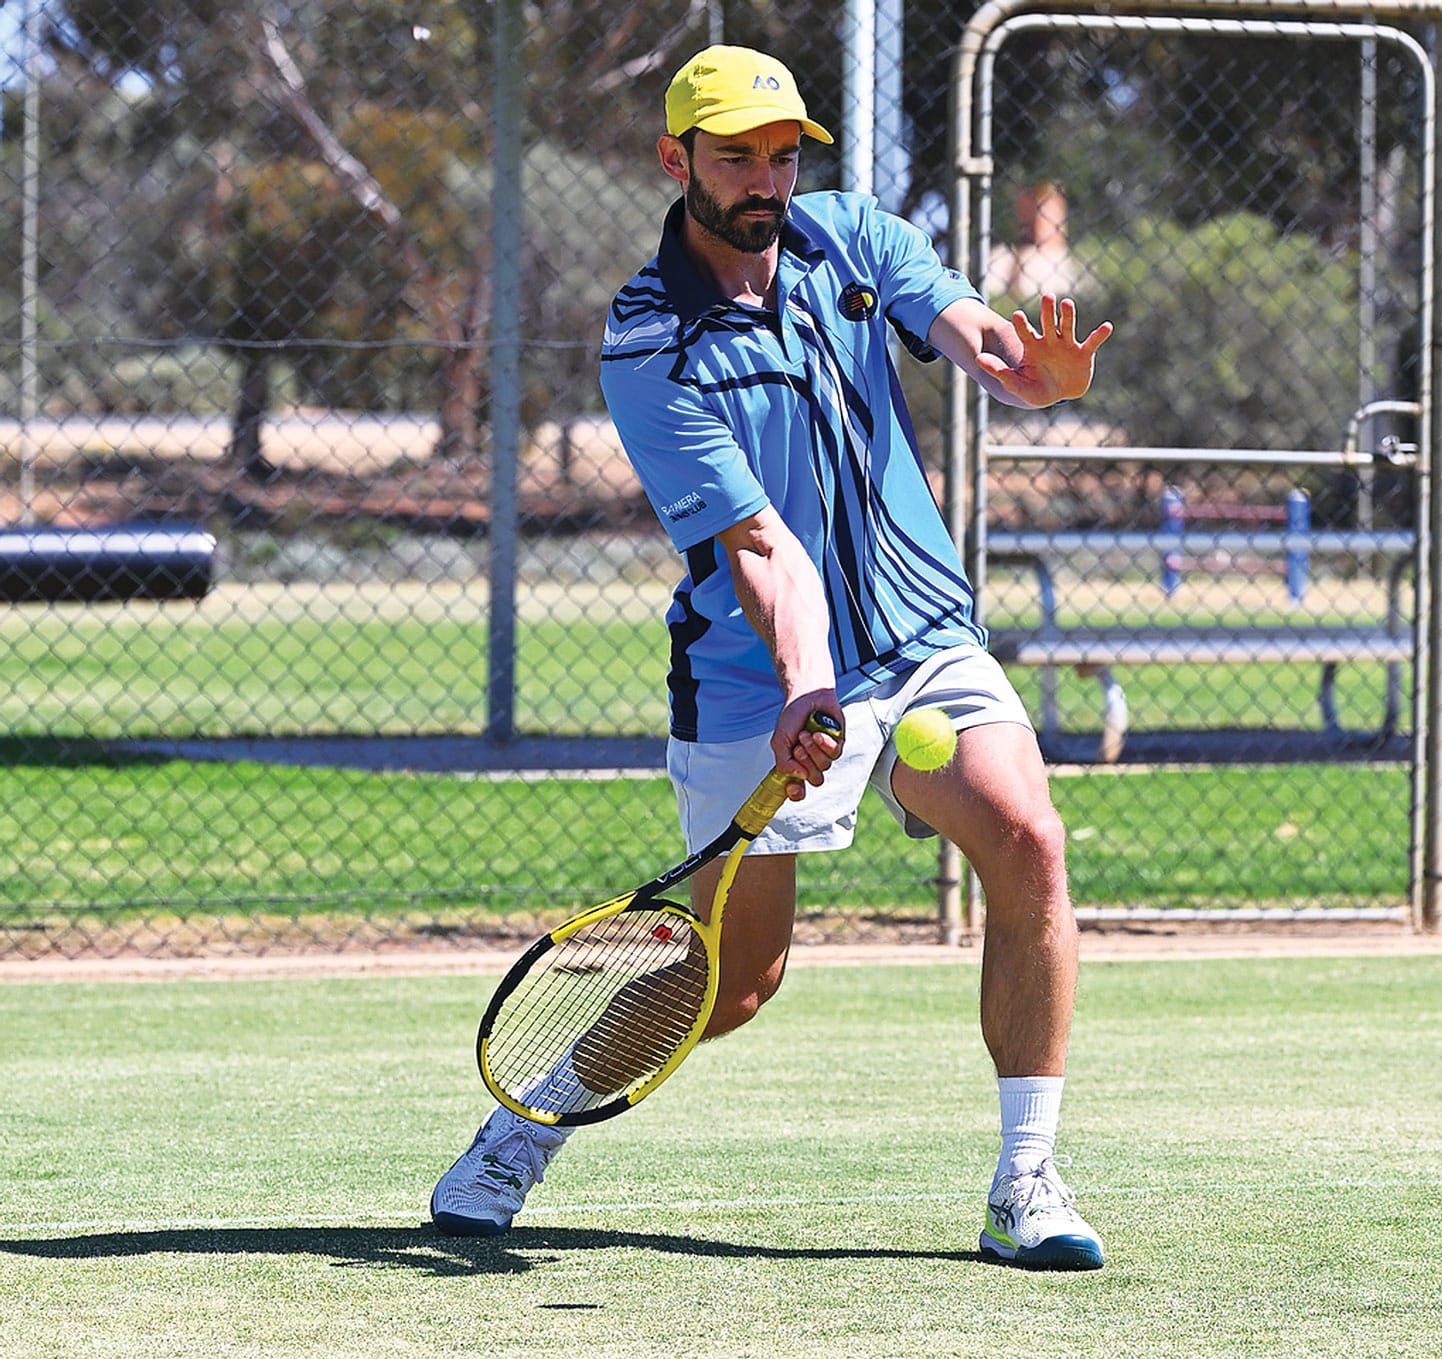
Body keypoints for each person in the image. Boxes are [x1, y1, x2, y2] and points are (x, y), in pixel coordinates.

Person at [432, 44, 1113, 1271]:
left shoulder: (854, 238)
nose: (765, 179)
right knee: (733, 982)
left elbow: (977, 336)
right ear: (676, 158)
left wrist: (1031, 376)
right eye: (737, 155)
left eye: (784, 155)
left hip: (919, 635)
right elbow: (758, 544)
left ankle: (1026, 1184)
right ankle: (521, 1130)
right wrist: (806, 683)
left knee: (1030, 840)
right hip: (757, 678)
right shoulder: (650, 339)